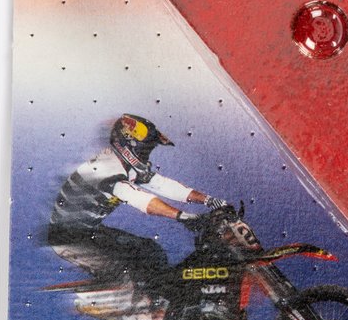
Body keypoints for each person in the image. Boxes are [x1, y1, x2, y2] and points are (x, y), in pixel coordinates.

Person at [48, 113, 226, 289]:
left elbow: (162, 185)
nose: (146, 155)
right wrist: (182, 216)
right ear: (128, 145)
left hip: (88, 231)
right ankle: (130, 303)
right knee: (121, 272)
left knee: (150, 250)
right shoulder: (106, 168)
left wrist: (209, 200)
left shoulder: (125, 165)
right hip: (67, 238)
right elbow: (140, 198)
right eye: (145, 149)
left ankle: (159, 295)